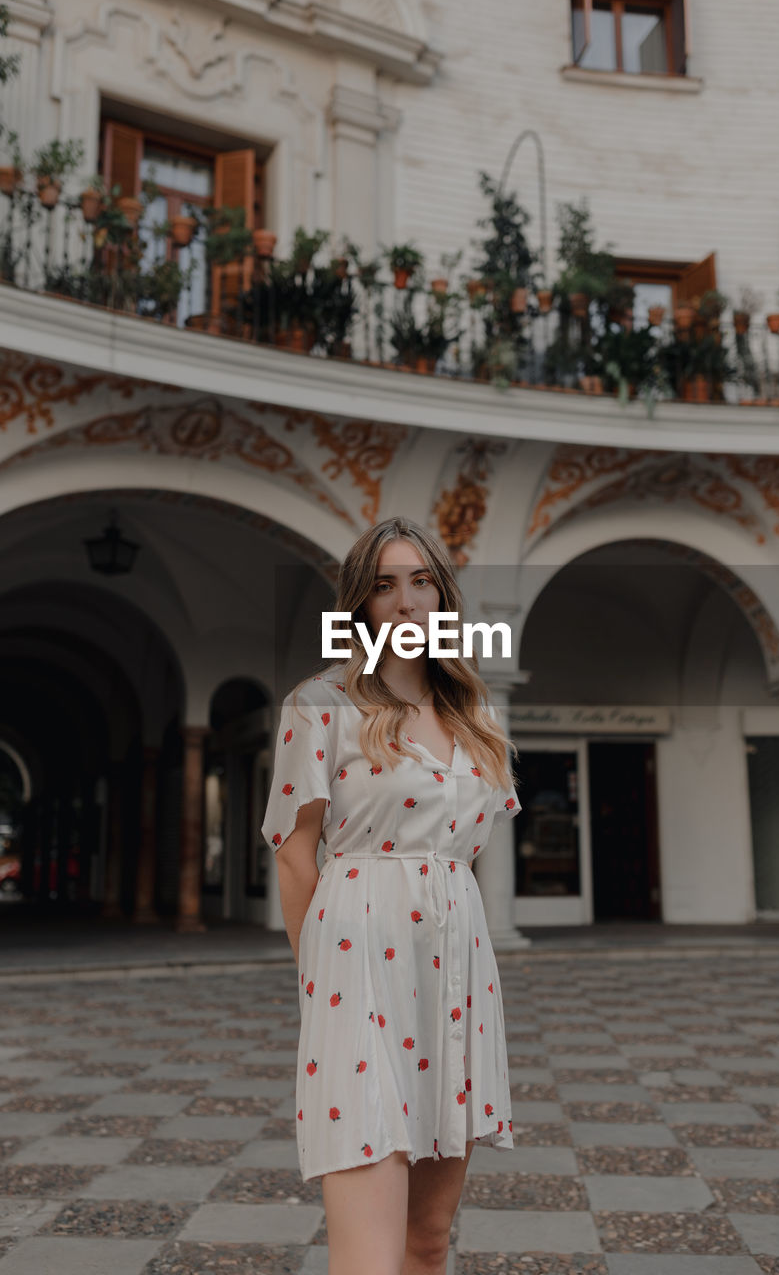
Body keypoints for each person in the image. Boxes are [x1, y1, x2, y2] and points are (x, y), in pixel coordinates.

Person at [261, 516, 522, 1275]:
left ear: (442, 595)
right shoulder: (320, 704)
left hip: (456, 978)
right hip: (356, 973)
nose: (404, 602)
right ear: (360, 606)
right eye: (383, 585)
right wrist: (320, 985)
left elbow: (461, 858)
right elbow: (294, 858)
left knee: (427, 1242)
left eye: (419, 581)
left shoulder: (477, 717)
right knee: (369, 1256)